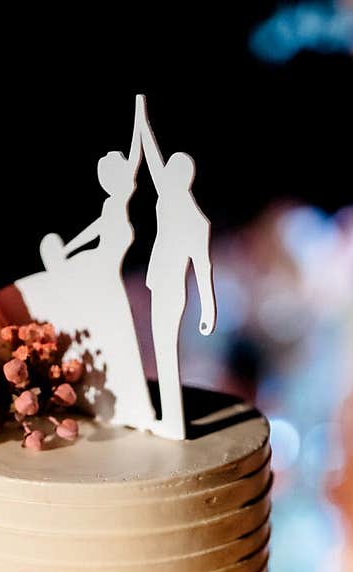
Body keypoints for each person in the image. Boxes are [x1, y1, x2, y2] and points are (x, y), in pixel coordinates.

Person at [16, 96, 154, 429]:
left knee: (114, 336)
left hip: (107, 269)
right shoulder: (110, 204)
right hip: (99, 267)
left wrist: (139, 124)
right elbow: (91, 232)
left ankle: (134, 407)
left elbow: (136, 156)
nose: (108, 176)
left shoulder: (122, 201)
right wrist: (65, 251)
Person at [136, 94, 216, 439]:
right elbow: (152, 161)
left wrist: (208, 310)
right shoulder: (168, 200)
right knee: (159, 347)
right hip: (157, 282)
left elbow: (203, 266)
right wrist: (140, 120)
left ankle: (170, 417)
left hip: (172, 289)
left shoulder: (196, 220)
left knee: (166, 350)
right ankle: (163, 413)